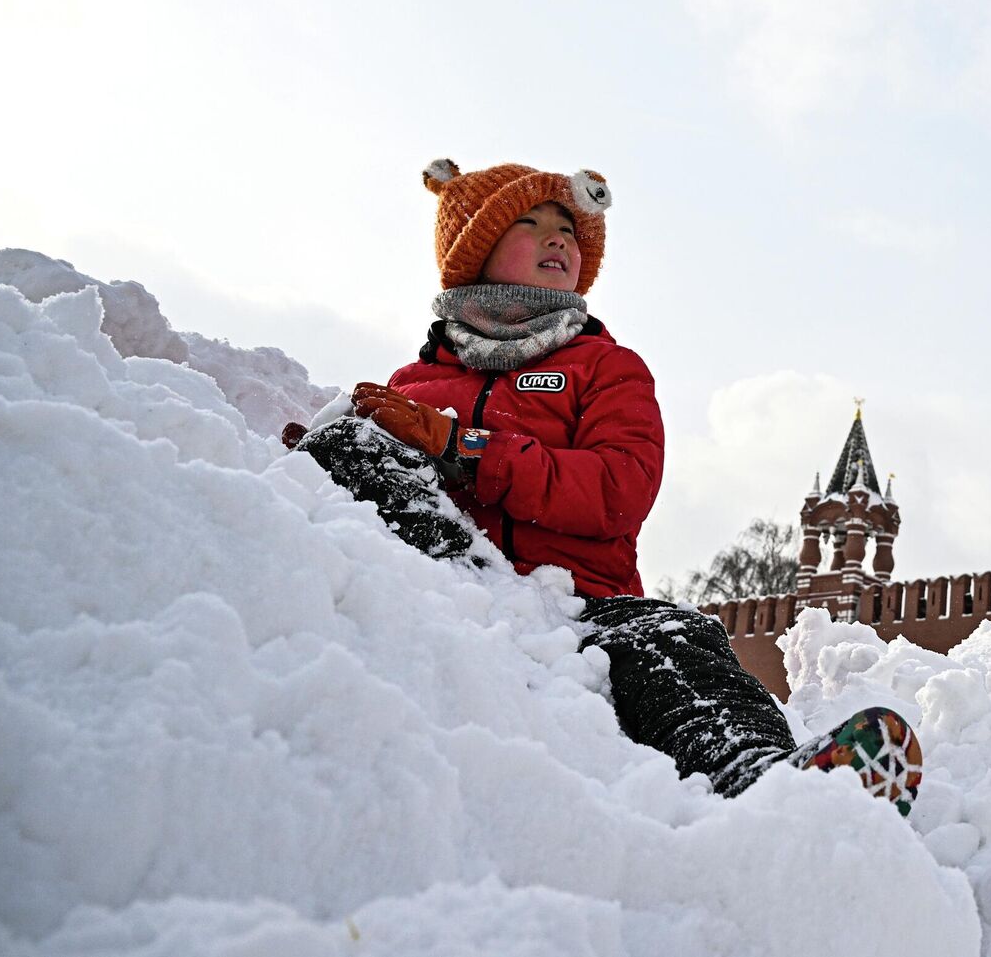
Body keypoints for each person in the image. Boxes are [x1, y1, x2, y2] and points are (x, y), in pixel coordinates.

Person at [285, 159, 919, 814]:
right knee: (344, 444)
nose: (559, 238)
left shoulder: (604, 366)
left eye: (569, 227)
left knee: (672, 642)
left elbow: (621, 485)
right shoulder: (410, 384)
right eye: (530, 223)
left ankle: (772, 785)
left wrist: (465, 448)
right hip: (454, 595)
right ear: (474, 250)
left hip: (583, 606)